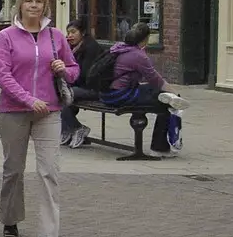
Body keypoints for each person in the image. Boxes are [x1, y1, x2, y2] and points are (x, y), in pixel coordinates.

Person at [0, 0, 78, 237]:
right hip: (14, 110)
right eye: (29, 1)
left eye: (39, 2)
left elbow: (75, 71)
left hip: (49, 112)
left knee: (49, 171)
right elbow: (2, 75)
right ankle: (10, 218)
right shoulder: (6, 36)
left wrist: (64, 68)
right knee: (14, 169)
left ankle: (49, 233)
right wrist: (29, 99)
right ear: (20, 5)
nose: (34, 6)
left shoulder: (55, 37)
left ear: (45, 6)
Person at [104, 23, 189, 154]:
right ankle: (159, 148)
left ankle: (165, 97)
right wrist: (175, 93)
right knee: (165, 105)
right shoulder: (138, 55)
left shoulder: (118, 48)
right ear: (145, 39)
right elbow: (155, 79)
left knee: (155, 91)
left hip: (107, 93)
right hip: (121, 95)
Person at [59, 19, 106, 148]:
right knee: (55, 94)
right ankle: (67, 130)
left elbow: (85, 74)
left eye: (73, 32)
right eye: (68, 33)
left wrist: (67, 78)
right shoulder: (73, 48)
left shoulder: (91, 48)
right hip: (80, 86)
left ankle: (77, 128)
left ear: (83, 33)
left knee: (62, 96)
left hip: (94, 88)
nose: (70, 36)